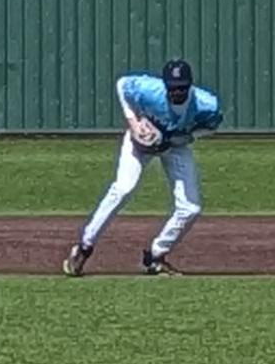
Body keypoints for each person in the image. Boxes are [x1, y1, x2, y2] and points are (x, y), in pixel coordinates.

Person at [67, 58, 222, 276]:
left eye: (182, 87)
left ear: (190, 85)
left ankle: (156, 256)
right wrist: (134, 122)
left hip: (176, 146)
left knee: (191, 208)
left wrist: (181, 136)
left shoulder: (206, 104)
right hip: (141, 140)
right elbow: (122, 85)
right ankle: (84, 246)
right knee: (123, 188)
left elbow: (212, 127)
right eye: (173, 87)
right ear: (166, 85)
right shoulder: (150, 89)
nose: (177, 92)